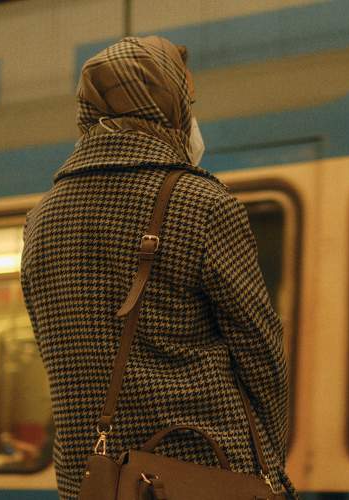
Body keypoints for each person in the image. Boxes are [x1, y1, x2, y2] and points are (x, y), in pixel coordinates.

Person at [20, 35, 297, 499]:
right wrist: (268, 469)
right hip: (201, 474)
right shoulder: (203, 204)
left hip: (94, 483)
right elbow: (261, 357)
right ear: (166, 106)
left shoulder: (40, 221)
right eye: (189, 103)